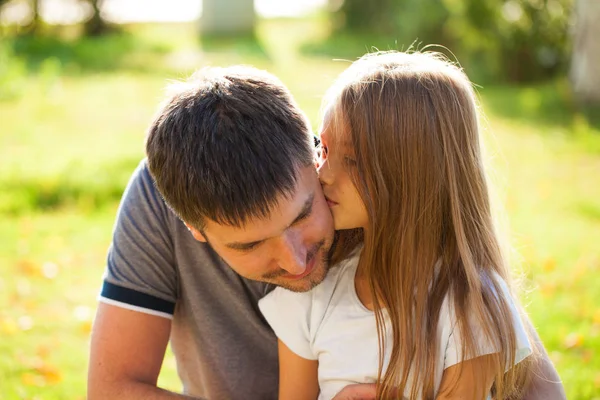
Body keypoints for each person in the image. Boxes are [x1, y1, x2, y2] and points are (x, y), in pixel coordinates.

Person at [88, 64, 565, 400]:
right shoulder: (160, 195)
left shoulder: (364, 178)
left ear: (315, 155)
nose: (297, 262)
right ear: (194, 226)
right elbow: (111, 389)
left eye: (303, 214)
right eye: (250, 244)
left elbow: (533, 383)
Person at [258, 51, 565, 400]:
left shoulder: (471, 306)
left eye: (353, 160)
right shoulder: (314, 292)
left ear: (416, 177)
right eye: (324, 150)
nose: (323, 175)